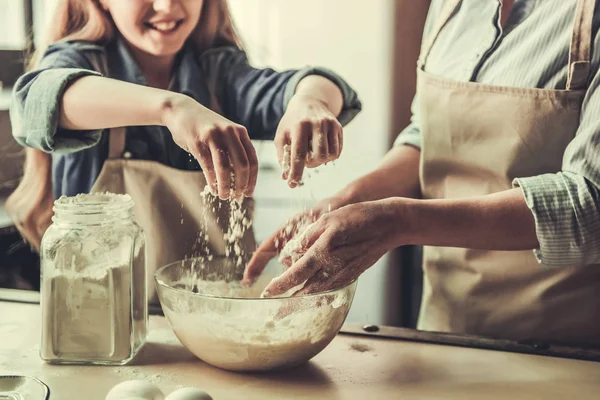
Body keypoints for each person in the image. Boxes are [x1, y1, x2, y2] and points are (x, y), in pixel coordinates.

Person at [245, 0, 600, 346]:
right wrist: (351, 199)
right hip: (443, 329)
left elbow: (591, 204)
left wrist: (395, 220)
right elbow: (429, 137)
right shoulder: (450, 6)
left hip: (564, 347)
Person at [7, 0, 361, 299]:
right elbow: (35, 100)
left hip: (211, 318)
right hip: (100, 324)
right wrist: (171, 108)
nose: (166, 6)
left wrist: (310, 100)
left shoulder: (217, 74)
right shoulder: (83, 63)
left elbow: (321, 83)